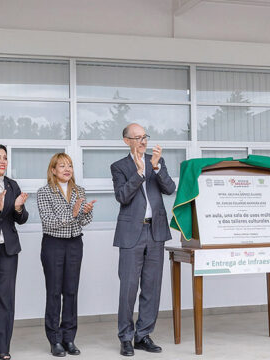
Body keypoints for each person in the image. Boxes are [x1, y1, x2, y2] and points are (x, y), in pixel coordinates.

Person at [111, 123, 176, 356]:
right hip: (131, 234)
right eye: (137, 137)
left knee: (152, 286)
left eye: (145, 136)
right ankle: (126, 337)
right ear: (126, 141)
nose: (142, 141)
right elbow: (122, 196)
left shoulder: (156, 161)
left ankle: (143, 335)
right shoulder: (119, 166)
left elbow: (170, 189)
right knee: (128, 288)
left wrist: (156, 168)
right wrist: (139, 174)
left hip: (156, 232)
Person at [37, 153, 96, 357]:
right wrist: (73, 214)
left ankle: (69, 338)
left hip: (74, 243)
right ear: (53, 170)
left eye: (69, 165)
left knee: (71, 291)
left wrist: (86, 211)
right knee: (54, 292)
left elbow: (84, 221)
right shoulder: (44, 192)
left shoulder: (79, 191)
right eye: (61, 165)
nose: (67, 169)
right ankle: (54, 340)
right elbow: (48, 221)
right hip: (53, 244)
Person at [0, 143, 28, 360]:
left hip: (9, 249)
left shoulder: (12, 184)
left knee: (6, 299)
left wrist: (18, 208)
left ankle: (3, 348)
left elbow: (21, 220)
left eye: (4, 157)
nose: (3, 161)